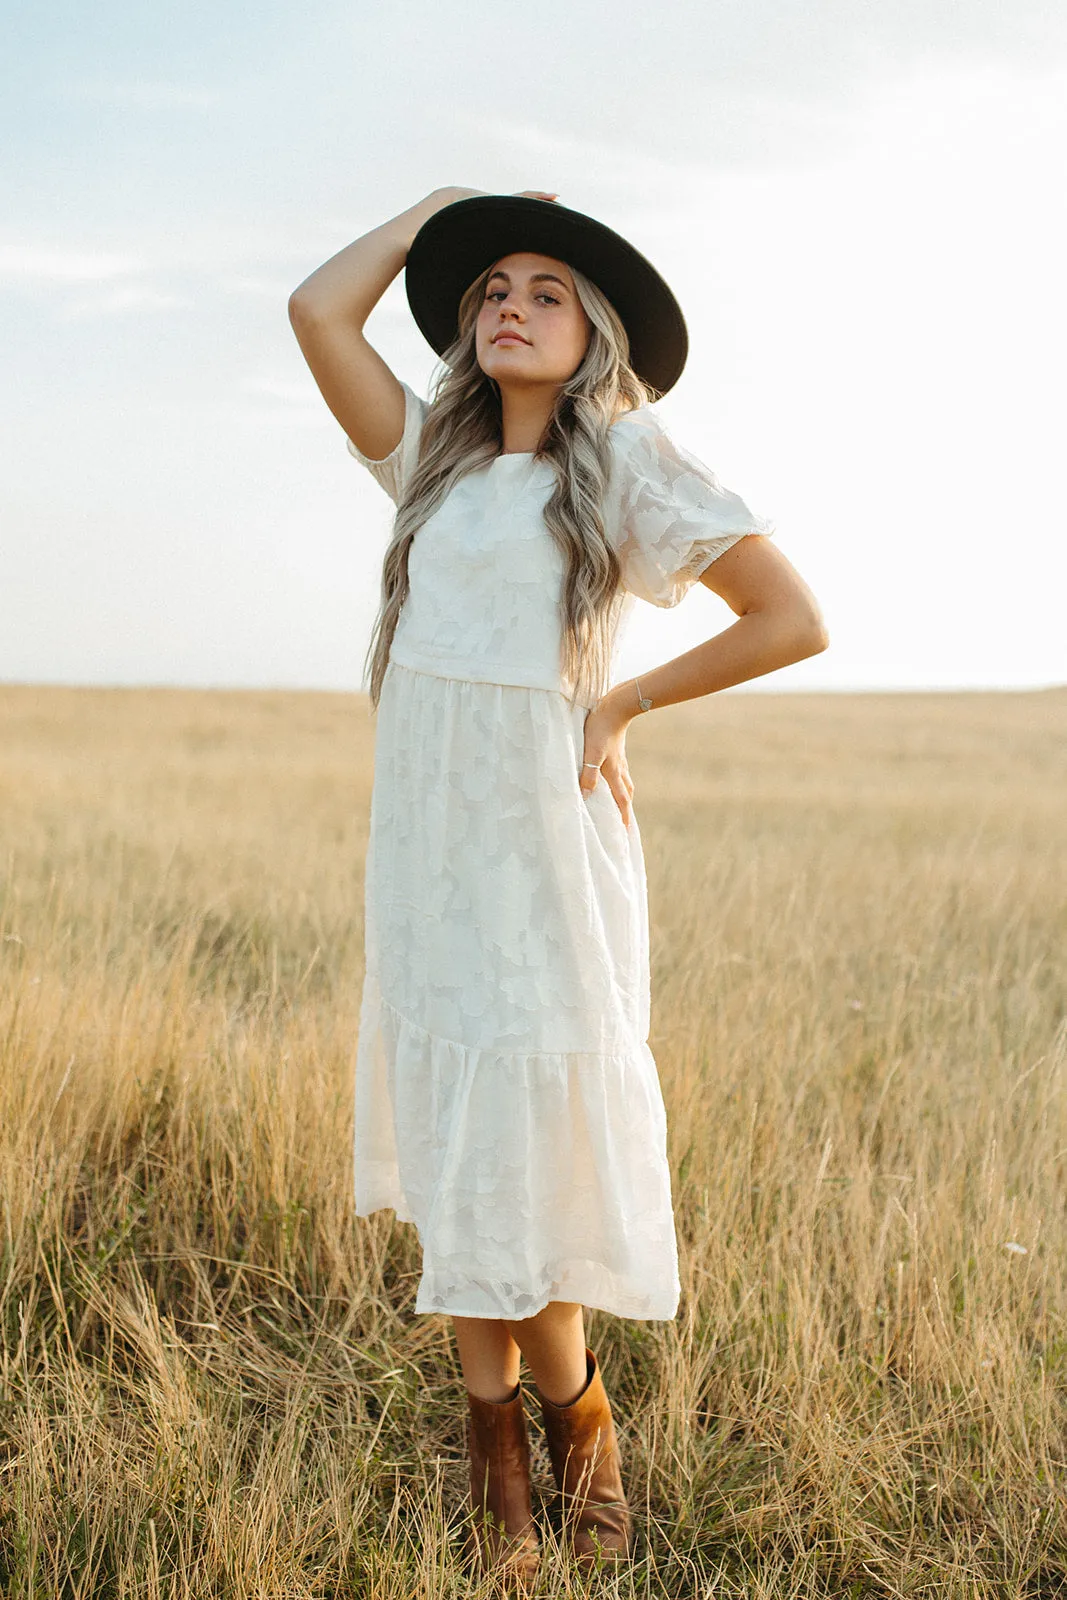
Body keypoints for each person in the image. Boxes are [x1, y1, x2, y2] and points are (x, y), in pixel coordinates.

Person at [288, 186, 828, 1588]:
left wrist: (627, 701)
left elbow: (791, 615)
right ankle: (494, 1453)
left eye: (541, 287)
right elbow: (314, 311)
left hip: (545, 841)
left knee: (538, 1130)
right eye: (489, 290)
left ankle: (578, 1419)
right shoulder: (429, 463)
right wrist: (435, 214)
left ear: (593, 330)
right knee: (465, 1138)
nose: (507, 305)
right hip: (428, 843)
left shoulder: (627, 459)